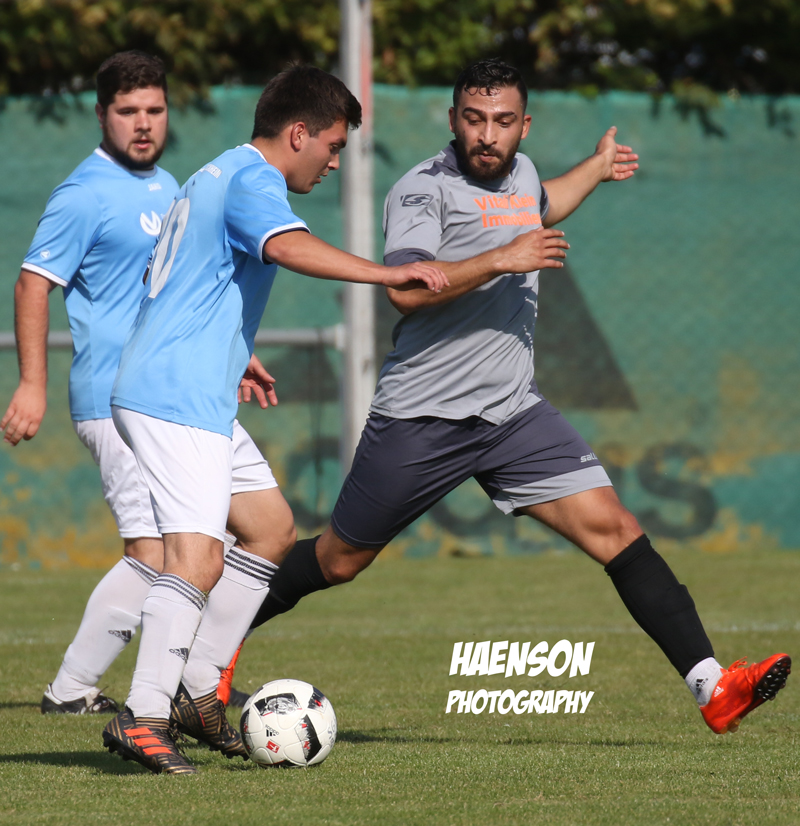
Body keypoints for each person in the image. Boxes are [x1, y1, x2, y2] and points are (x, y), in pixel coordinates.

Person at [244, 58, 791, 737]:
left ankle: (713, 687)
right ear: (453, 120)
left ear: (523, 125)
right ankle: (205, 656)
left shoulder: (525, 174)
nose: (487, 135)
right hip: (424, 416)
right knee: (337, 561)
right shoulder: (422, 190)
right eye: (474, 120)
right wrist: (501, 258)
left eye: (502, 122)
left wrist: (595, 169)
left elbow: (544, 202)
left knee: (617, 531)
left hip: (512, 415)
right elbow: (405, 291)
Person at [100, 65, 448, 775]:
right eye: (333, 145)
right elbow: (287, 246)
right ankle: (143, 715)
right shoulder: (254, 179)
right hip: (174, 397)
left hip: (191, 387)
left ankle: (199, 691)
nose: (333, 161)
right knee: (196, 559)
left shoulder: (214, 173)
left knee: (270, 530)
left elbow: (175, 280)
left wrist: (235, 349)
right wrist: (388, 274)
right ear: (298, 133)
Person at [1, 51, 179, 715]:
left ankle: (182, 685)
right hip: (109, 396)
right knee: (154, 550)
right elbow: (32, 285)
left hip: (167, 394)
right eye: (128, 111)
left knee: (197, 545)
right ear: (102, 114)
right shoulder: (84, 193)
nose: (143, 123)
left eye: (154, 110)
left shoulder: (169, 186)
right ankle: (73, 689)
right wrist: (32, 385)